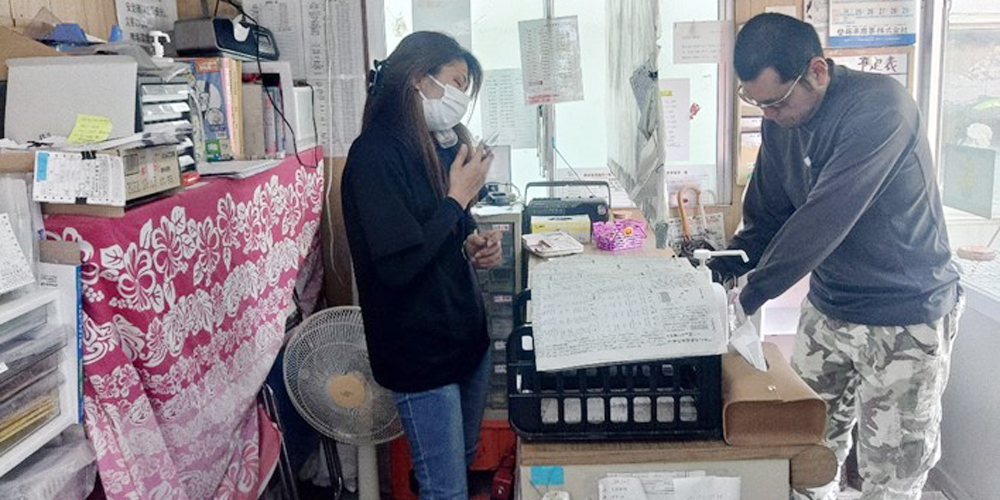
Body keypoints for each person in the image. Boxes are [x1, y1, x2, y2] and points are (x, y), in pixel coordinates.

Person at [711, 13, 964, 500]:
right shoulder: (781, 124)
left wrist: (747, 298)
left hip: (904, 317)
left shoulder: (880, 109)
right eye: (756, 102)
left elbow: (824, 217)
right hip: (830, 308)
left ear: (817, 71)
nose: (769, 114)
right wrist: (721, 268)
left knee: (891, 474)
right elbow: (766, 218)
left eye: (777, 102)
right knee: (804, 452)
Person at [341, 31, 503, 500]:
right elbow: (398, 268)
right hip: (420, 354)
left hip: (467, 340)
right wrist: (457, 198)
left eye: (466, 88)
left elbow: (449, 229)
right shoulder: (373, 156)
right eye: (456, 81)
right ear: (418, 78)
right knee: (445, 490)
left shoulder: (439, 144)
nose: (461, 97)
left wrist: (474, 242)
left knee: (460, 462)